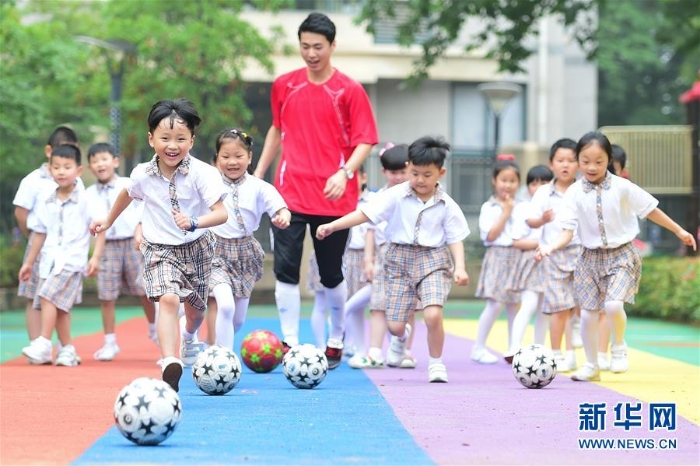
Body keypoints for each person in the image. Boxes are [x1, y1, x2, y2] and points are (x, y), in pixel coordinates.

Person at [253, 12, 379, 369]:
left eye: (318, 47)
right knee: (286, 269)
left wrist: (345, 173)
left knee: (330, 272)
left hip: (334, 196)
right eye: (305, 46)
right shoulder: (284, 85)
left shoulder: (349, 90)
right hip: (289, 193)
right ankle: (290, 343)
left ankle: (336, 341)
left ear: (332, 46)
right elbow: (277, 130)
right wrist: (260, 173)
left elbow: (366, 139)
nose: (311, 53)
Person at [89, 98, 229, 392]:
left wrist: (194, 221)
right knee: (167, 299)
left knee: (196, 312)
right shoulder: (142, 173)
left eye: (180, 138)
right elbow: (127, 194)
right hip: (159, 248)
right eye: (165, 138)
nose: (172, 145)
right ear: (151, 138)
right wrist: (108, 221)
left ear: (192, 139)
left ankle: (189, 337)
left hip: (197, 246)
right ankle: (169, 362)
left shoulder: (203, 173)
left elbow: (221, 213)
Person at [536, 131, 696, 382]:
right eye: (586, 161)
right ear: (578, 160)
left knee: (612, 305)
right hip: (589, 259)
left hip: (621, 255)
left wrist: (679, 231)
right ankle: (591, 364)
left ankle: (618, 345)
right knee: (588, 313)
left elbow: (651, 210)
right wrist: (550, 247)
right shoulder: (575, 192)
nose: (592, 167)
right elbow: (567, 231)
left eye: (599, 161)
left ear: (608, 160)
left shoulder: (623, 187)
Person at [317, 135, 470, 383]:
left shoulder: (447, 205)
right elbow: (364, 214)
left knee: (432, 314)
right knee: (395, 325)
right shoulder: (395, 195)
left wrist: (460, 267)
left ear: (440, 173)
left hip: (433, 260)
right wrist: (333, 226)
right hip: (398, 260)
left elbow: (455, 237)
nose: (420, 180)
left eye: (427, 175)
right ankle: (400, 339)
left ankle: (436, 363)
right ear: (409, 167)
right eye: (415, 173)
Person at [19, 144, 105, 366]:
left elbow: (100, 227)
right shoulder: (47, 199)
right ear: (49, 169)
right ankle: (67, 349)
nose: (61, 171)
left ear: (78, 171)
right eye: (56, 167)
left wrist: (95, 257)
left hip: (72, 261)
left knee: (47, 296)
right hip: (49, 261)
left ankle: (44, 342)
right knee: (60, 307)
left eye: (67, 167)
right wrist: (28, 263)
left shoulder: (86, 199)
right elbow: (39, 232)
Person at [208, 127, 290, 352]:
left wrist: (282, 216)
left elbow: (280, 207)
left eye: (238, 156)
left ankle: (217, 345)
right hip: (215, 251)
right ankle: (222, 357)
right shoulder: (208, 183)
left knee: (237, 320)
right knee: (224, 306)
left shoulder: (259, 187)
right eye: (225, 156)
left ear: (250, 157)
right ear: (217, 159)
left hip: (245, 253)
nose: (232, 162)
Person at [13, 126, 82, 358]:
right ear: (48, 151)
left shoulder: (78, 184)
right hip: (39, 244)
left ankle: (63, 346)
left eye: (71, 153)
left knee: (57, 298)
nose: (63, 168)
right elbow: (22, 213)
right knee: (36, 297)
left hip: (68, 251)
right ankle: (39, 344)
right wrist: (31, 239)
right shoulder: (33, 180)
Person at [85, 142, 157, 361]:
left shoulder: (128, 184)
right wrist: (95, 256)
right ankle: (109, 342)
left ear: (115, 161)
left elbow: (146, 206)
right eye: (95, 161)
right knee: (106, 295)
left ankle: (155, 331)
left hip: (133, 243)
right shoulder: (88, 194)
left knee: (145, 290)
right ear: (90, 167)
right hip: (108, 246)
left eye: (104, 159)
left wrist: (141, 228)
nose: (100, 164)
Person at [346, 143, 415, 369]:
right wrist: (369, 260)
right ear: (384, 172)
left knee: (409, 306)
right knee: (378, 304)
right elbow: (370, 229)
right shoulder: (380, 197)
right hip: (385, 254)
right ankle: (375, 351)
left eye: (403, 172)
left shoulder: (416, 196)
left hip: (411, 254)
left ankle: (404, 351)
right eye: (393, 172)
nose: (398, 177)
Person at [527, 138, 581, 371]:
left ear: (579, 163)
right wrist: (542, 220)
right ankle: (558, 353)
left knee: (576, 308)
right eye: (560, 160)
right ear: (551, 163)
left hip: (581, 252)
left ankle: (574, 352)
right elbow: (530, 220)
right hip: (553, 253)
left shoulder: (583, 189)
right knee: (559, 307)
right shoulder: (543, 192)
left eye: (571, 160)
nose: (566, 165)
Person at [471, 160, 521, 364]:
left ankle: (513, 348)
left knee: (514, 306)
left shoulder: (523, 207)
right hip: (498, 256)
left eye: (512, 181)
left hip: (518, 257)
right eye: (503, 180)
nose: (507, 185)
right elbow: (490, 235)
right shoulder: (489, 207)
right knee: (494, 304)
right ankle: (478, 347)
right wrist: (506, 212)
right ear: (494, 181)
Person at [504, 164, 554, 362]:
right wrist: (542, 244)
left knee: (545, 309)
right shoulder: (523, 208)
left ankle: (539, 349)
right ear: (528, 187)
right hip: (531, 261)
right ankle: (514, 346)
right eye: (534, 183)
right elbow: (517, 241)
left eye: (544, 183)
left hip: (551, 261)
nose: (539, 188)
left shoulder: (556, 207)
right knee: (529, 304)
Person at [339, 165, 373, 360]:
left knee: (379, 303)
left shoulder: (373, 200)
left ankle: (398, 347)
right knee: (357, 306)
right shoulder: (343, 199)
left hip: (370, 255)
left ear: (364, 177)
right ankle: (359, 348)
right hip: (348, 255)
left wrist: (370, 258)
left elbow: (373, 230)